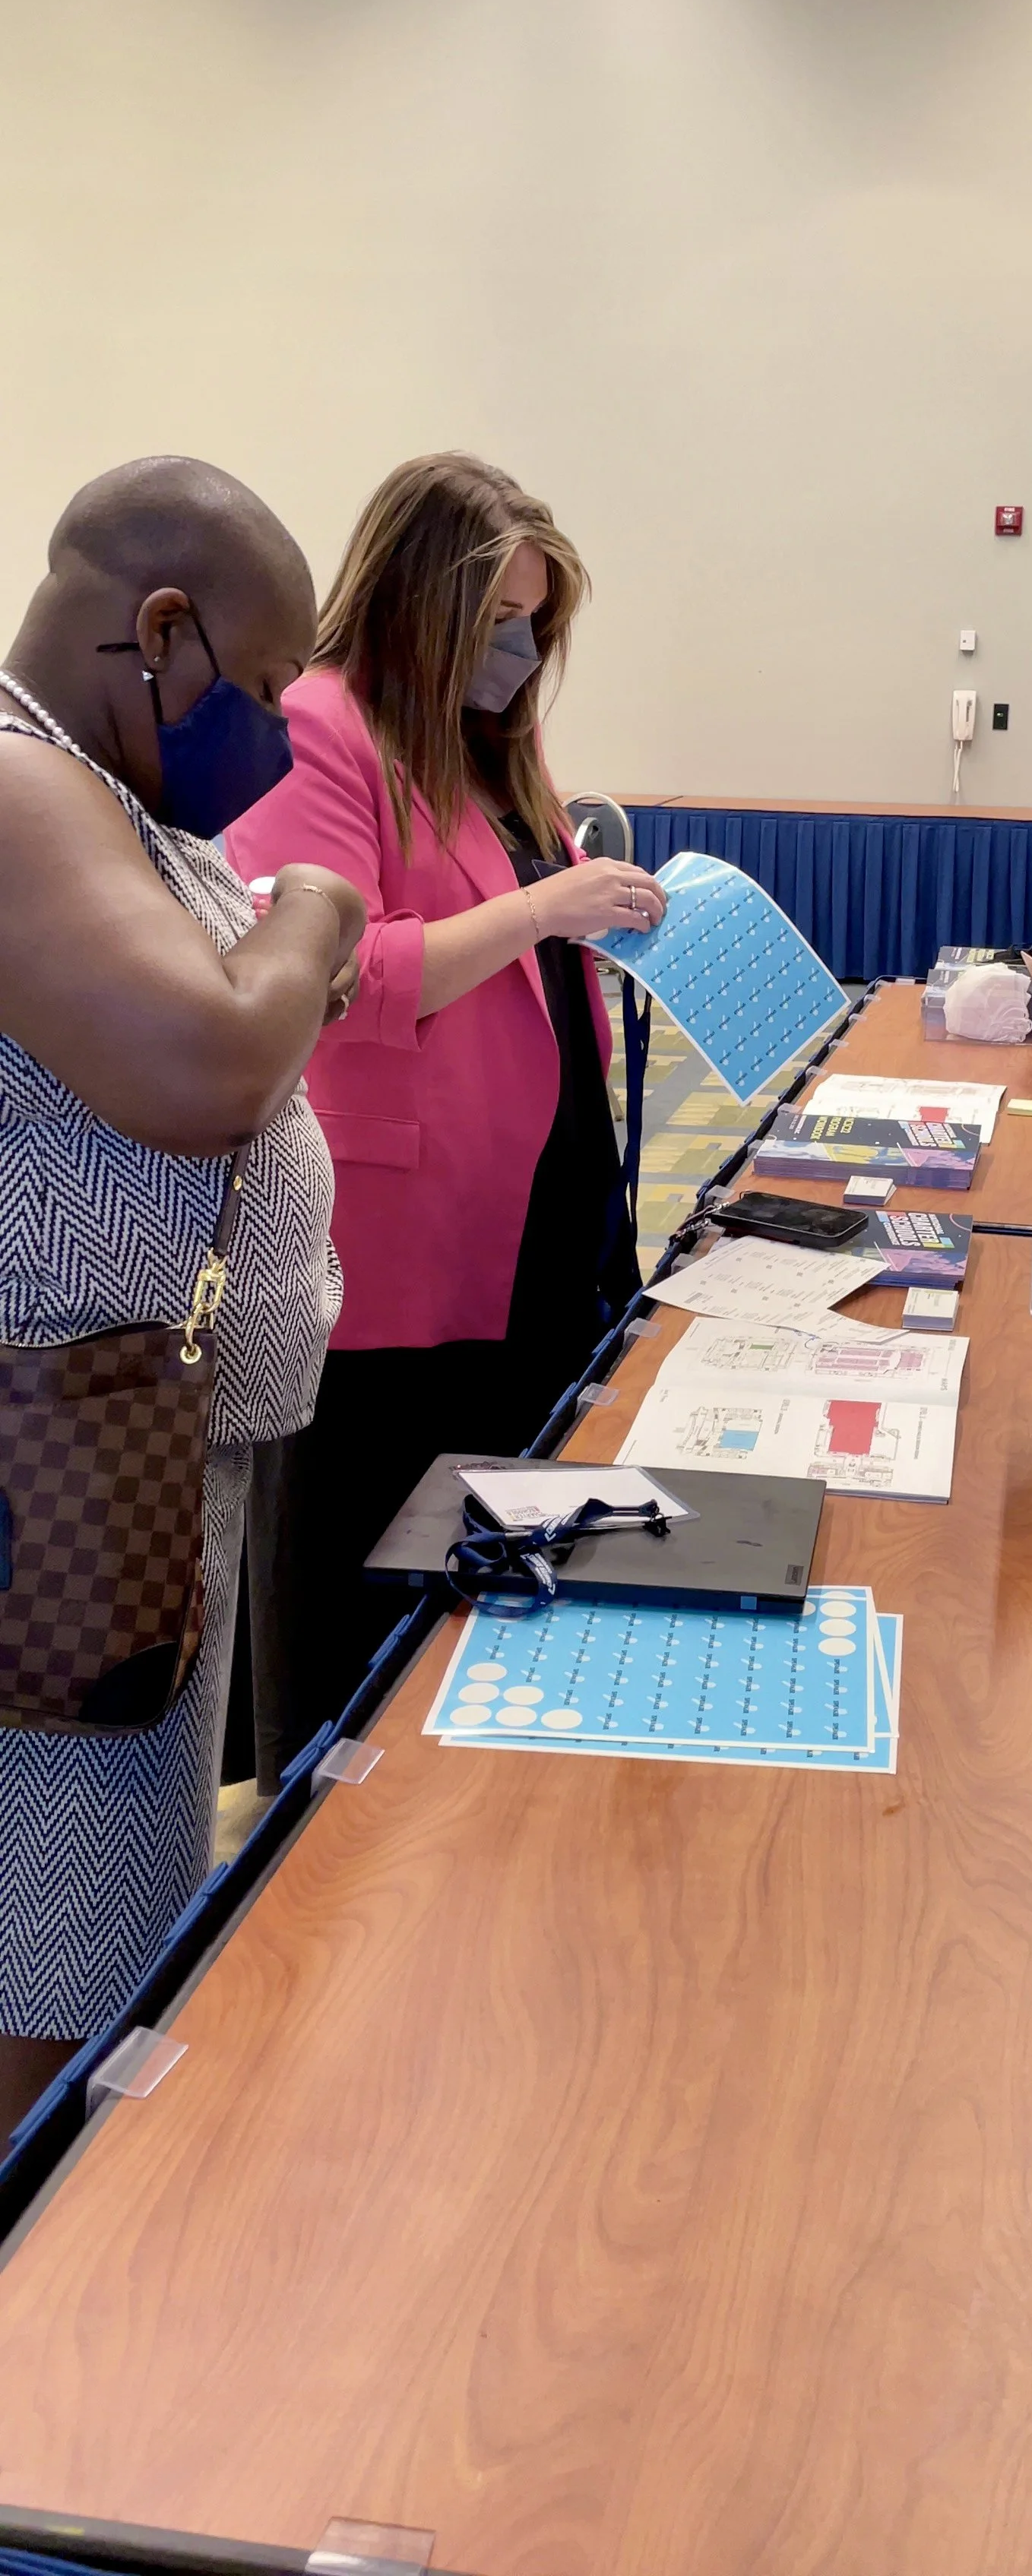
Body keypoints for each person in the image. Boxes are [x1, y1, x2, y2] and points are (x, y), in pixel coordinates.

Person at [0, 457, 363, 2130]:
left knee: (101, 1928)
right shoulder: (22, 787)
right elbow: (210, 1059)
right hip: (66, 1477)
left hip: (132, 1461)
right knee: (52, 1960)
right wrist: (311, 909)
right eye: (270, 681)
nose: (281, 726)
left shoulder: (104, 796)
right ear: (162, 631)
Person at [224, 452, 666, 1767]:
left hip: (537, 1205)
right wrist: (547, 909)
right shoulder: (324, 726)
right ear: (419, 604)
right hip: (399, 1241)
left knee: (497, 1566)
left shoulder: (489, 747)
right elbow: (338, 975)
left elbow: (533, 947)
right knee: (367, 1590)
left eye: (539, 625)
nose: (523, 653)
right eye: (500, 623)